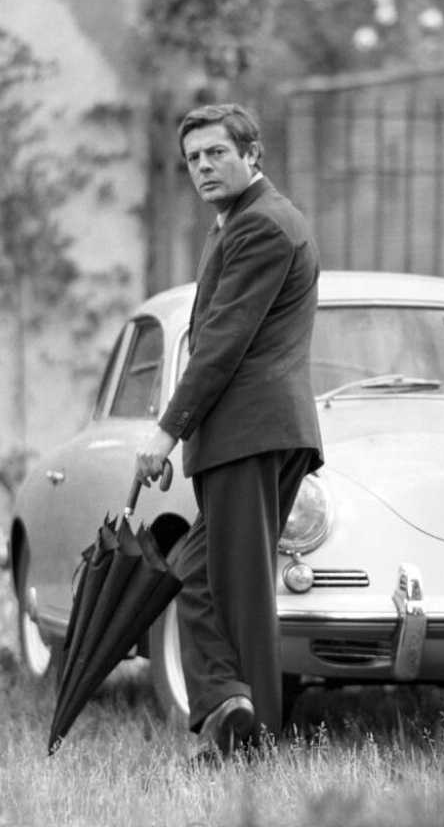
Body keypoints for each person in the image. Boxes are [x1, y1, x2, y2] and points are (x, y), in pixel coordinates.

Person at [134, 102, 323, 756]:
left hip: (252, 431)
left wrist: (166, 430)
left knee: (239, 594)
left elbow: (221, 344)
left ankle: (254, 744)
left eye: (216, 152)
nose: (204, 166)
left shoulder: (264, 226)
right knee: (191, 573)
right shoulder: (238, 223)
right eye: (193, 158)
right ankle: (229, 706)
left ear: (253, 155)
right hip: (244, 433)